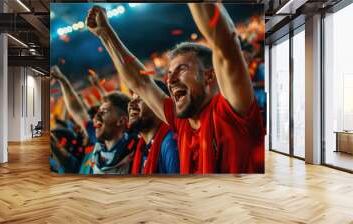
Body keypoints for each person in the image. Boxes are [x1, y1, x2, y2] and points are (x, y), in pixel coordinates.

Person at [86, 3, 264, 174]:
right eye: (169, 73)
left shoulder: (232, 111)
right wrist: (105, 33)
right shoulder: (182, 122)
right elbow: (140, 82)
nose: (170, 80)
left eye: (182, 69)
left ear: (209, 76)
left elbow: (225, 43)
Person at [51, 67, 138, 174]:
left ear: (121, 121)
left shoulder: (135, 154)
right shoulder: (97, 142)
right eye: (98, 111)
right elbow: (78, 111)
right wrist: (63, 80)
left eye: (104, 112)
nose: (96, 116)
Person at [129, 81, 179, 174]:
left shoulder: (170, 144)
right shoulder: (141, 149)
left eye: (140, 98)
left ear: (157, 105)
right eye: (132, 98)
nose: (131, 103)